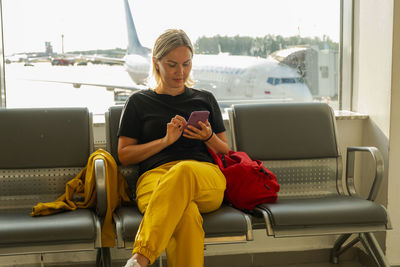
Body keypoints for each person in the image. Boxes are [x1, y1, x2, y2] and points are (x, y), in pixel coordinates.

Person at [118, 29, 229, 267]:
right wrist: (165, 141)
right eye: (172, 65)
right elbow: (125, 155)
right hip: (155, 177)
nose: (181, 72)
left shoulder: (205, 98)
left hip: (202, 176)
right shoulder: (138, 102)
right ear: (156, 63)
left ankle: (141, 258)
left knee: (184, 171)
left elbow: (225, 151)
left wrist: (208, 136)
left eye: (186, 64)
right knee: (186, 215)